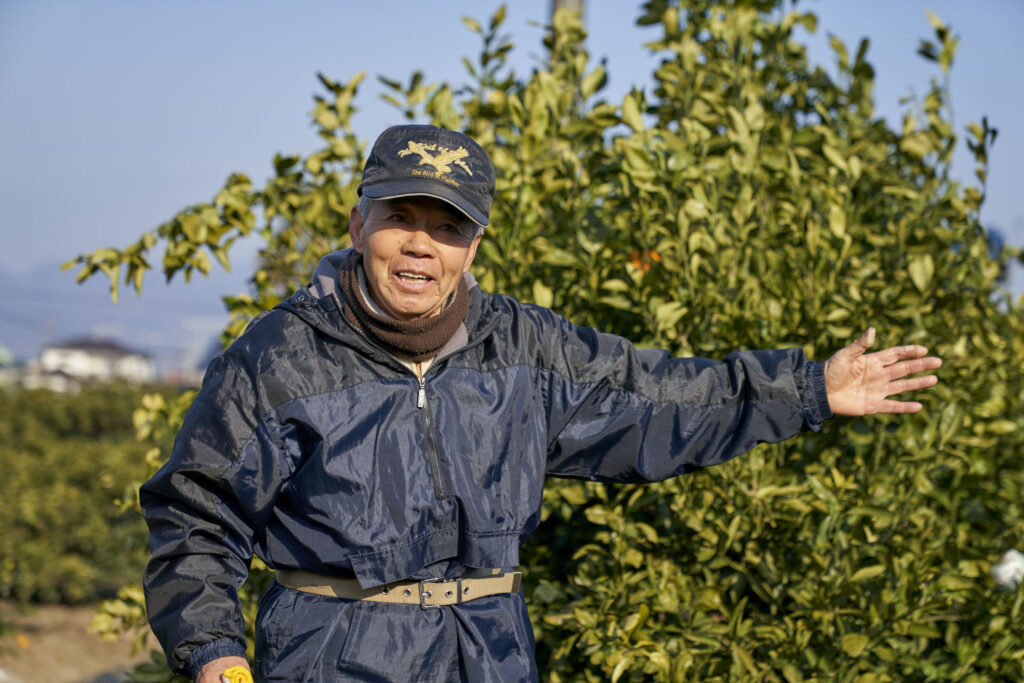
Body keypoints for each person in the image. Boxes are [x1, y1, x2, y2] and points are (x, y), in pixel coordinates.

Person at [140, 124, 941, 682]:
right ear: (360, 224)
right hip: (328, 660)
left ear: (474, 245)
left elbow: (664, 398)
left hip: (489, 655)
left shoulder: (526, 350)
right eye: (401, 217)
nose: (420, 243)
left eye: (446, 225)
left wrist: (807, 389)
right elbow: (196, 513)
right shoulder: (279, 358)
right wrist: (216, 651)